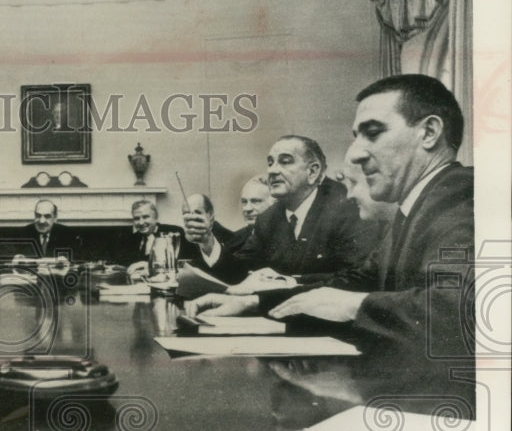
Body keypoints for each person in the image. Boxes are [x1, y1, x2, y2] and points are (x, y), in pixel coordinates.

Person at [187, 74, 474, 366]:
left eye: (373, 132)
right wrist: (253, 302)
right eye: (356, 137)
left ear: (429, 132)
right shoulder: (417, 207)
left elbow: (460, 310)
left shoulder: (463, 198)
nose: (355, 153)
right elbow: (357, 281)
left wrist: (354, 305)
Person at [186, 135, 374, 284]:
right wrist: (208, 242)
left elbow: (358, 277)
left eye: (285, 161)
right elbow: (240, 271)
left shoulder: (348, 207)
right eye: (270, 163)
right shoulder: (268, 219)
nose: (272, 171)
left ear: (312, 171)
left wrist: (288, 282)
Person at [15, 199, 81, 261]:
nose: (41, 221)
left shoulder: (68, 235)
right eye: (38, 215)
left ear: (55, 217)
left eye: (47, 216)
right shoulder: (22, 234)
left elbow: (74, 261)